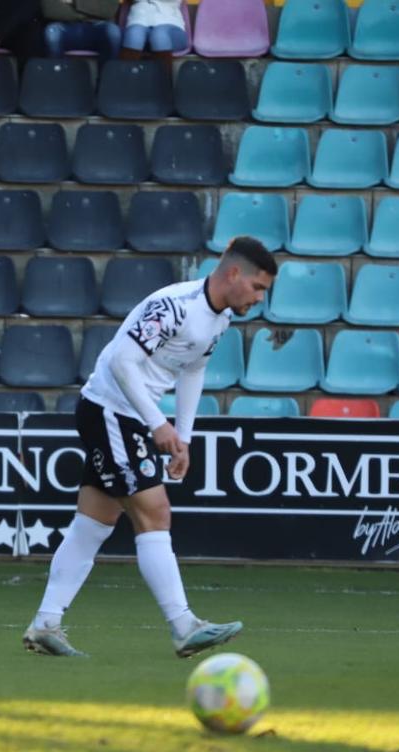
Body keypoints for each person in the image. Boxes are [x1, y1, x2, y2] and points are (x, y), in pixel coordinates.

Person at [22, 237, 277, 658]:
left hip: (129, 417)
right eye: (258, 287)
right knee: (155, 511)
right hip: (110, 409)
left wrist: (184, 437)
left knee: (94, 522)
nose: (259, 298)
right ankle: (183, 625)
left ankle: (45, 624)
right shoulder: (174, 305)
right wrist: (159, 424)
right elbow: (122, 361)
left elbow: (194, 368)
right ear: (234, 274)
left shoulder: (220, 319)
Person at [41, 0, 121, 61]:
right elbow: (49, 10)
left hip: (98, 27)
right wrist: (91, 11)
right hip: (64, 27)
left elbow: (109, 10)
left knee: (113, 31)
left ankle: (106, 79)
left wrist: (75, 2)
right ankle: (56, 77)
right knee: (52, 32)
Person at [120, 0, 187, 69]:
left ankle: (162, 78)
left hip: (171, 25)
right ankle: (126, 77)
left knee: (159, 36)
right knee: (134, 35)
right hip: (138, 20)